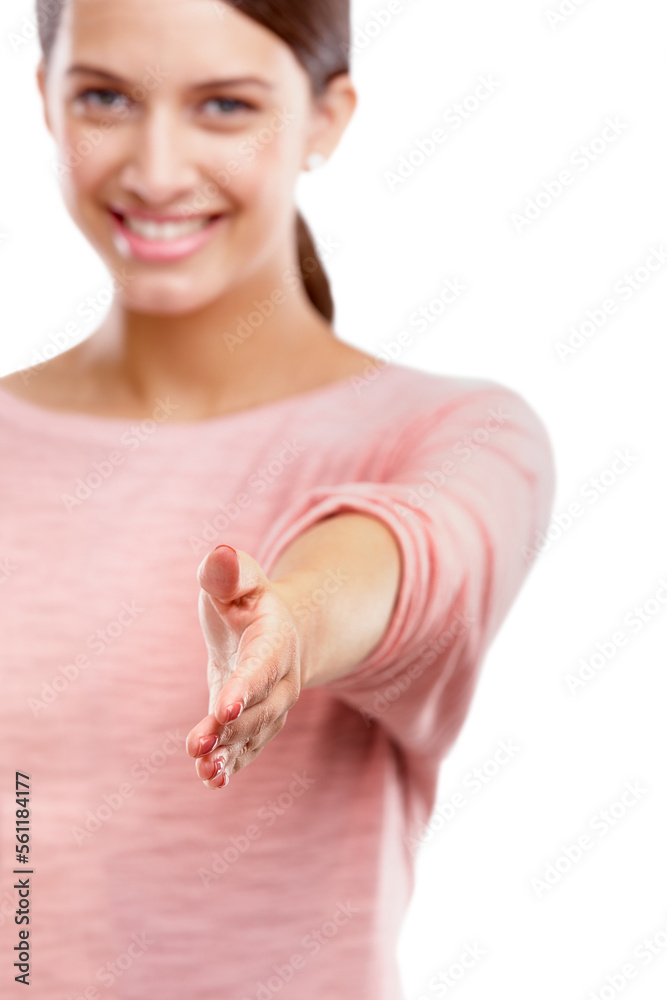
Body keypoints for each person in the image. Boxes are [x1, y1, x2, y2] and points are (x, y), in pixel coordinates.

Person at [0, 0, 556, 997]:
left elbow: (414, 557)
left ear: (327, 117)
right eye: (105, 96)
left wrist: (293, 625)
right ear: (44, 97)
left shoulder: (461, 433)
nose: (158, 167)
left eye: (224, 104)